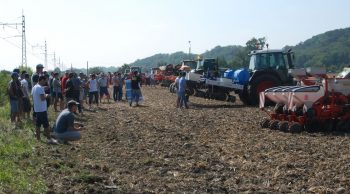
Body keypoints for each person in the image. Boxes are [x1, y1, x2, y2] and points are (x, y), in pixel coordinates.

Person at [32, 75, 57, 144]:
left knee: (38, 124)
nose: (45, 82)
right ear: (41, 80)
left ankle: (38, 138)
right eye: (45, 81)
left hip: (37, 109)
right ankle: (49, 139)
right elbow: (42, 98)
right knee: (46, 124)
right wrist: (47, 95)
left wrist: (44, 91)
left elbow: (40, 93)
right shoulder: (39, 88)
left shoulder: (34, 87)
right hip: (42, 109)